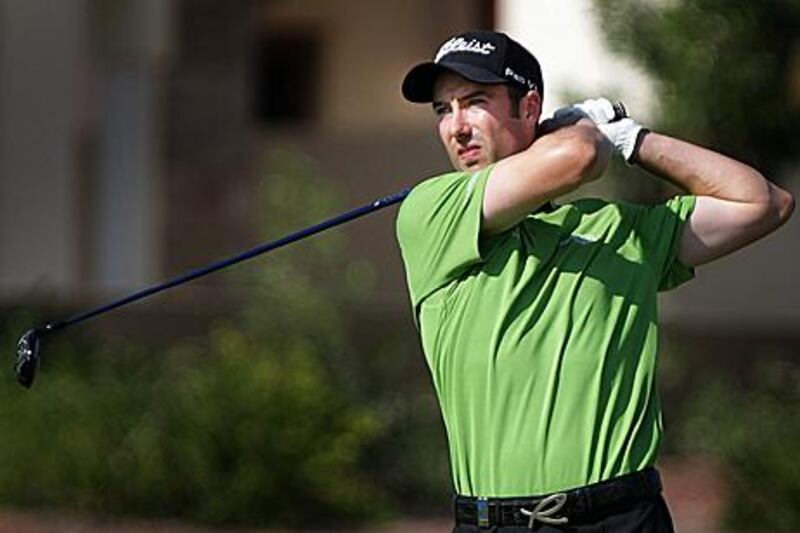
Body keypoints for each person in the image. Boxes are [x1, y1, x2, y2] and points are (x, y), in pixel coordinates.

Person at [395, 30, 794, 532]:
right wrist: (582, 132)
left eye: (475, 103)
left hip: (623, 518)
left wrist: (632, 139)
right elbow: (577, 160)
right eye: (442, 110)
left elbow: (763, 203)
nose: (456, 127)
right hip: (496, 523)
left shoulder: (617, 231)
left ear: (528, 107)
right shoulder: (430, 212)